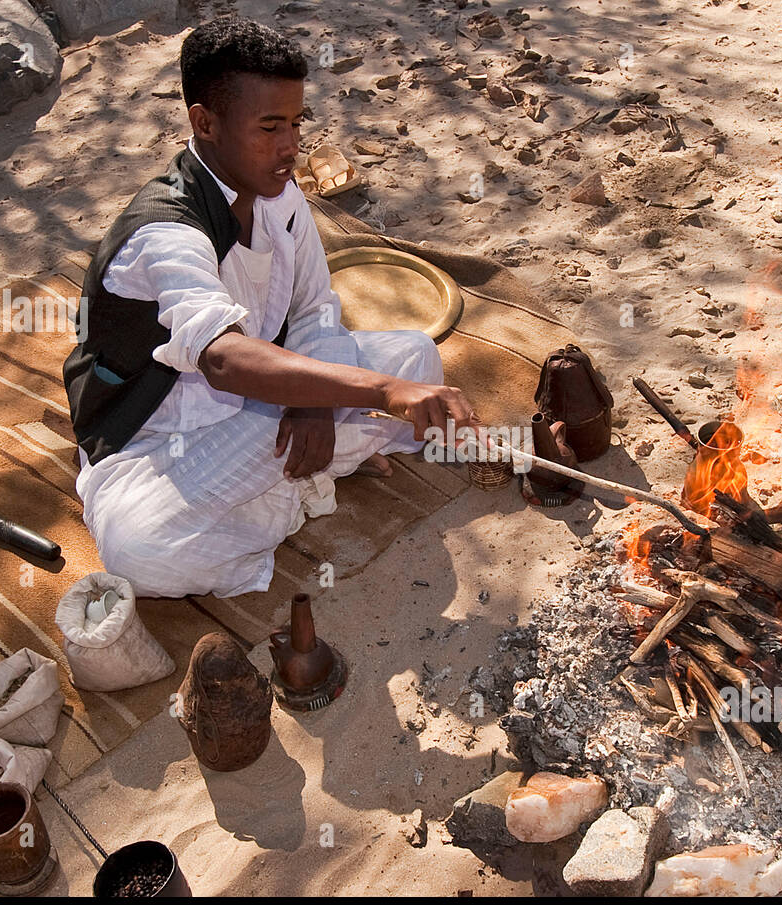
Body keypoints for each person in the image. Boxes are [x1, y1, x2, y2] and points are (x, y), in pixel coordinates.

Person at [62, 16, 475, 598]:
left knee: (415, 355)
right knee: (139, 556)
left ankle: (301, 475)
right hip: (164, 440)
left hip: (265, 409)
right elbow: (225, 360)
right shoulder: (163, 234)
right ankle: (317, 478)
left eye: (296, 123)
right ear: (204, 123)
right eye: (268, 127)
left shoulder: (280, 197)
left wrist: (314, 404)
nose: (290, 147)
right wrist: (378, 395)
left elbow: (314, 313)